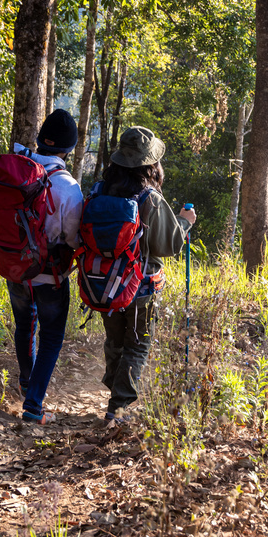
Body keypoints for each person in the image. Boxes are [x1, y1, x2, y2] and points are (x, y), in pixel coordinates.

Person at [95, 126, 197, 424]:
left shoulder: (100, 189)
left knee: (116, 341)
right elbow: (169, 243)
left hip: (103, 283)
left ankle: (115, 389)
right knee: (137, 345)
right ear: (150, 163)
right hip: (140, 287)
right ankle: (119, 409)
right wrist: (185, 221)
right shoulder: (149, 198)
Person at [8, 109, 84, 425]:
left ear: (40, 140)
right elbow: (74, 237)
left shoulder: (17, 172)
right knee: (51, 336)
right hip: (49, 275)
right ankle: (33, 405)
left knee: (26, 325)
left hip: (14, 267)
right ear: (68, 148)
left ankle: (28, 384)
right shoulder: (68, 187)